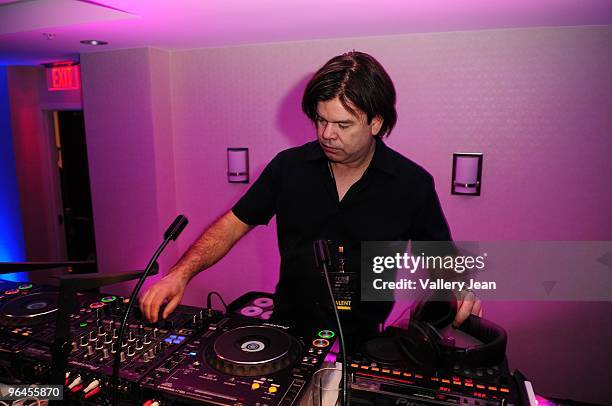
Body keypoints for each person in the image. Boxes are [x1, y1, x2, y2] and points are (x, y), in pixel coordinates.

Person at [139, 51, 481, 349]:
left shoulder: (412, 184)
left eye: (343, 125)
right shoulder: (288, 168)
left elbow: (440, 259)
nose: (326, 134)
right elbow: (232, 224)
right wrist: (180, 274)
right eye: (321, 120)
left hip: (364, 340)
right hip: (288, 328)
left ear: (376, 122)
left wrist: (459, 290)